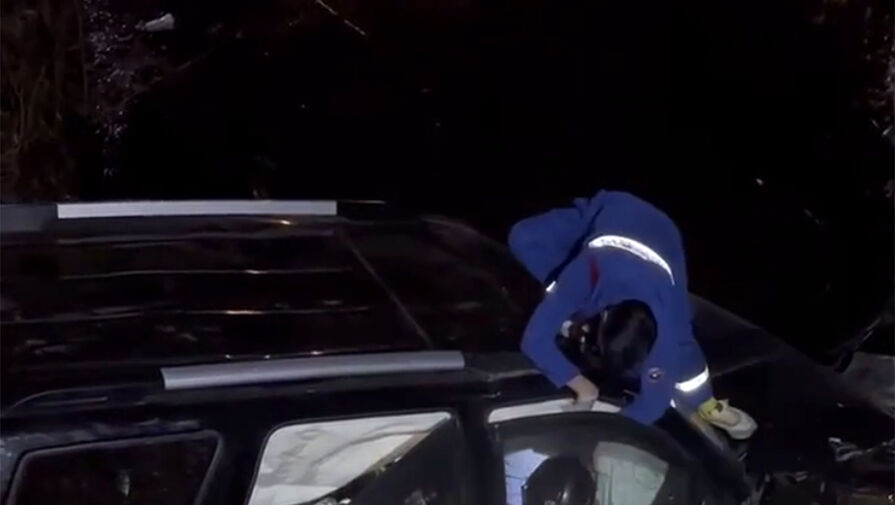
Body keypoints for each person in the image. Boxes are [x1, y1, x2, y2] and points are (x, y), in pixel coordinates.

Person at [508, 190, 756, 439]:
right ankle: (564, 309)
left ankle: (707, 405)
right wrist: (584, 388)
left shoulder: (668, 325)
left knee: (683, 352)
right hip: (616, 210)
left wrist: (600, 434)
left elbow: (653, 405)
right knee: (523, 238)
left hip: (660, 248)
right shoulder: (582, 276)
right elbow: (534, 340)